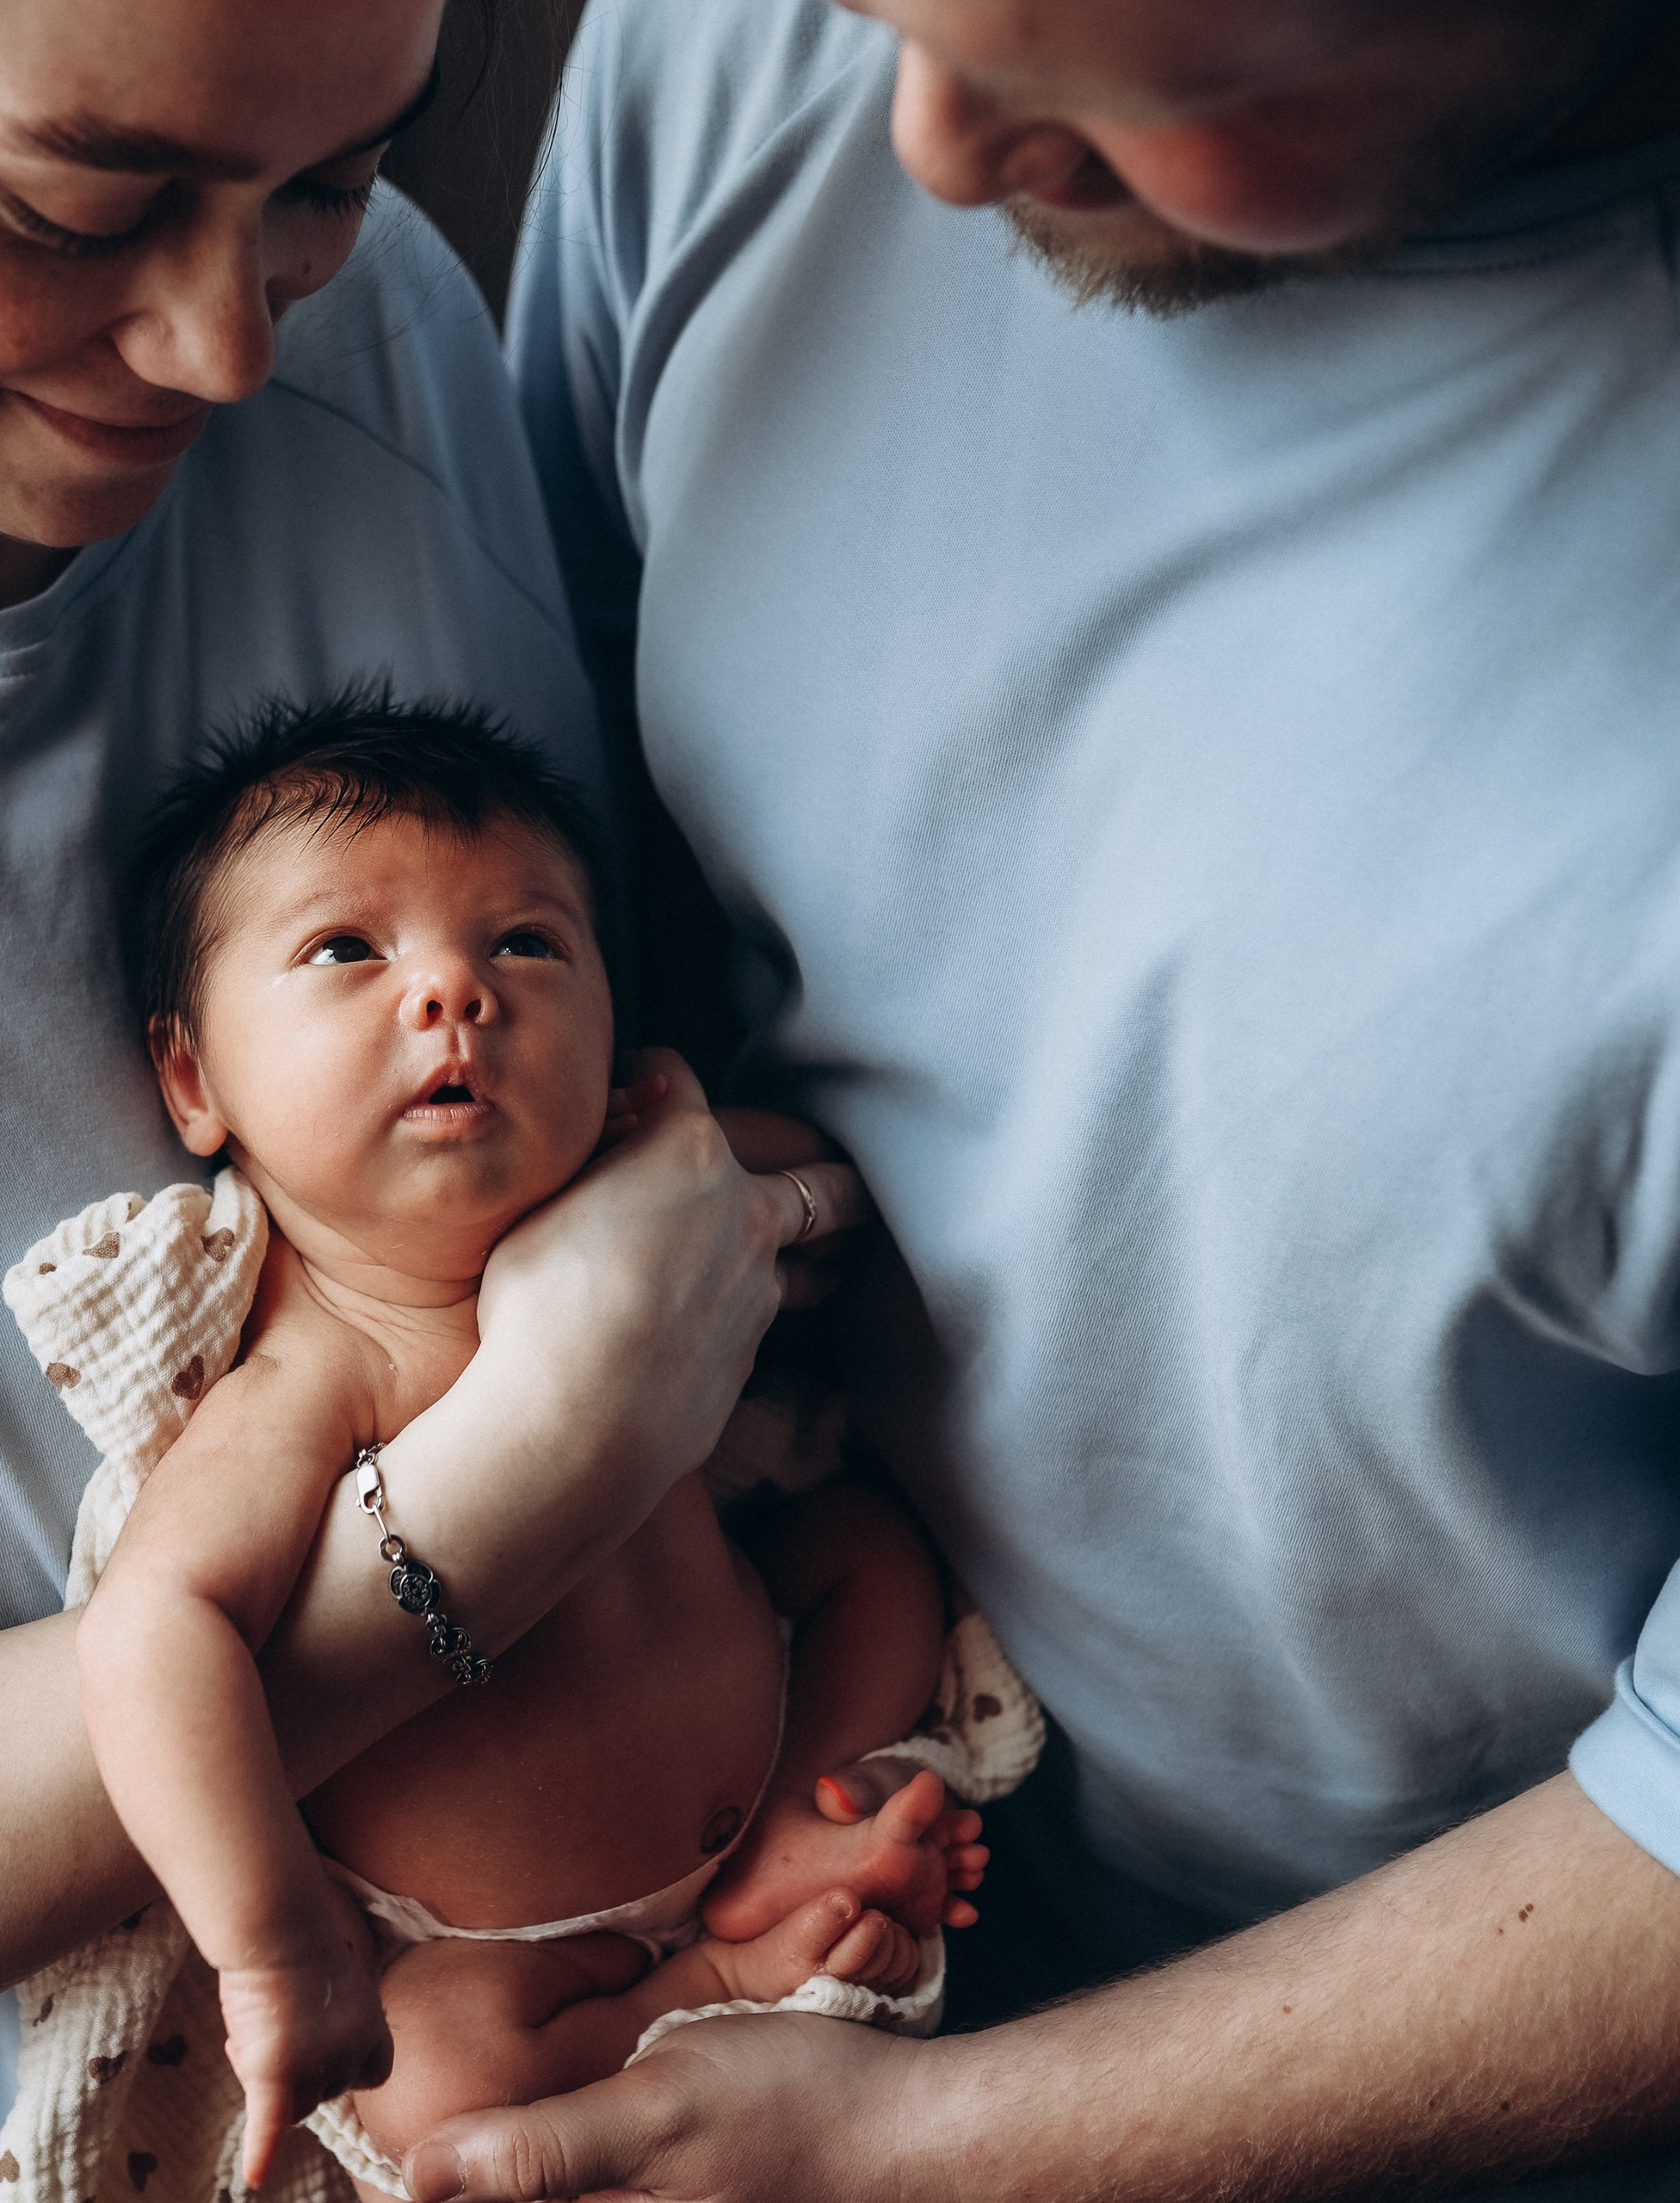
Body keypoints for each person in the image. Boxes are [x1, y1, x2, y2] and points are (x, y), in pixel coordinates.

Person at [0, 3, 864, 2199]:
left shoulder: (376, 319)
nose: (229, 347)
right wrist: (552, 1454)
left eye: (325, 181)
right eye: (72, 209)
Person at [385, 0, 1680, 2197]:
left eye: (1155, 88)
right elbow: (568, 865)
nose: (930, 150)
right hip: (733, 1911)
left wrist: (930, 2146)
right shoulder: (743, 47)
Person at [82, 699, 973, 2192]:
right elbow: (153, 1632)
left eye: (527, 946)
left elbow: (829, 1177)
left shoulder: (627, 1183)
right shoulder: (318, 1370)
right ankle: (701, 1995)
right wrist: (274, 1943)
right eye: (346, 951)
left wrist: (695, 1145)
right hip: (495, 1949)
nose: (453, 990)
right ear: (195, 1083)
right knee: (435, 2078)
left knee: (868, 1555)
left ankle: (804, 1830)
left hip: (754, 1763)